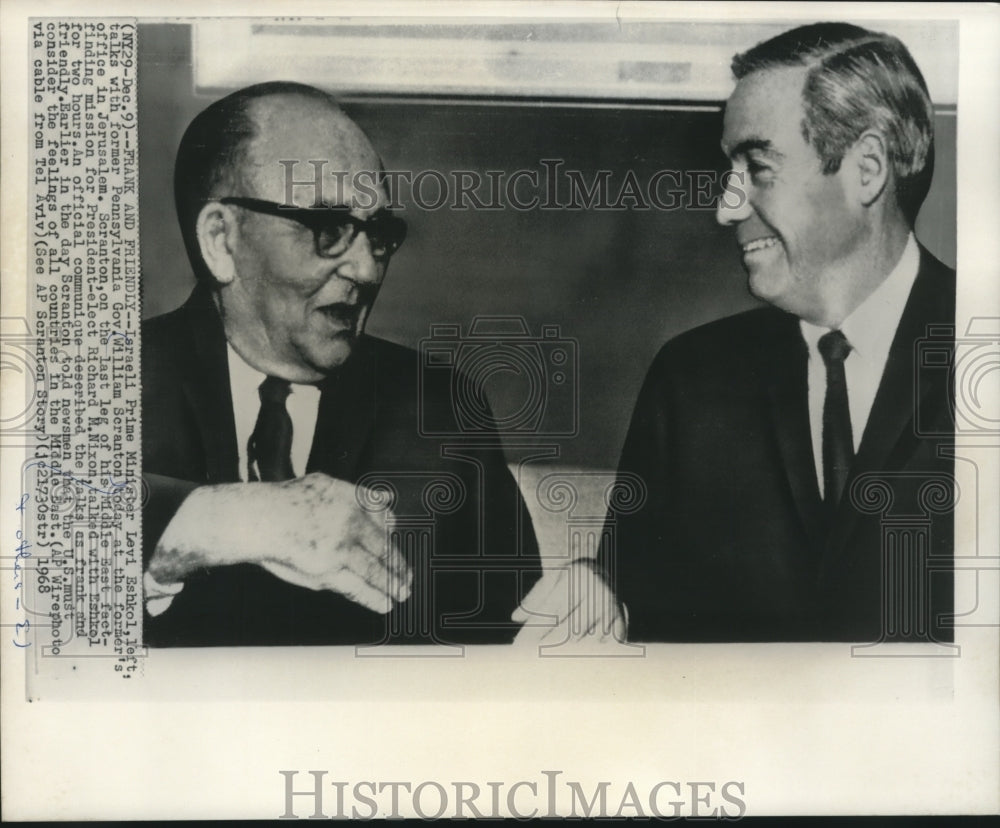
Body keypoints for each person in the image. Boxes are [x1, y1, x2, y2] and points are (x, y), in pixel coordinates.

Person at [141, 81, 542, 647]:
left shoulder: (441, 411)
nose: (366, 270)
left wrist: (570, 614)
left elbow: (507, 635)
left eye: (377, 234)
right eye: (327, 228)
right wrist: (224, 519)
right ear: (221, 241)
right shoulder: (103, 386)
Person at [602, 23, 955, 642]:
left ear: (866, 170)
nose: (725, 207)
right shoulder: (689, 382)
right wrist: (595, 584)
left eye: (758, 167)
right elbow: (628, 601)